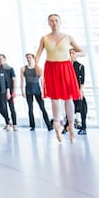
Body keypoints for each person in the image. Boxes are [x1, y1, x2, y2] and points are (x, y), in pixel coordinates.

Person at [34, 13, 84, 143]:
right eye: (51, 21)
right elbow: (38, 54)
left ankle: (71, 125)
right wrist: (36, 66)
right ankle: (57, 124)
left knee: (68, 98)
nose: (54, 23)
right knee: (55, 98)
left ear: (60, 22)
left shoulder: (67, 37)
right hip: (51, 68)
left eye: (56, 20)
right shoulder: (44, 38)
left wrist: (76, 55)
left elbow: (81, 51)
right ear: (48, 23)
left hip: (65, 68)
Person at [20, 53, 51, 131]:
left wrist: (44, 93)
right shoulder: (23, 68)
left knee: (42, 108)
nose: (28, 59)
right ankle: (32, 126)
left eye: (30, 57)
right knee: (30, 109)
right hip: (28, 90)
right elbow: (22, 81)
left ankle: (49, 126)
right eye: (27, 58)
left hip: (37, 90)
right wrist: (22, 91)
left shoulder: (38, 69)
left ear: (33, 58)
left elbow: (42, 81)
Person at [70, 48, 87, 135]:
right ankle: (68, 126)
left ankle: (84, 128)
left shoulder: (80, 66)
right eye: (70, 53)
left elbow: (82, 80)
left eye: (73, 53)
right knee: (70, 109)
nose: (71, 55)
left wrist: (80, 91)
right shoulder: (68, 67)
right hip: (70, 92)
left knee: (82, 109)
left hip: (78, 91)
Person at [0, 54, 17, 131]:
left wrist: (14, 91)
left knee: (12, 108)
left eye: (1, 59)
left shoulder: (10, 69)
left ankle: (15, 124)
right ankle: (8, 122)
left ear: (5, 59)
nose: (0, 60)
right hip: (1, 92)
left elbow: (14, 80)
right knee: (2, 107)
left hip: (10, 91)